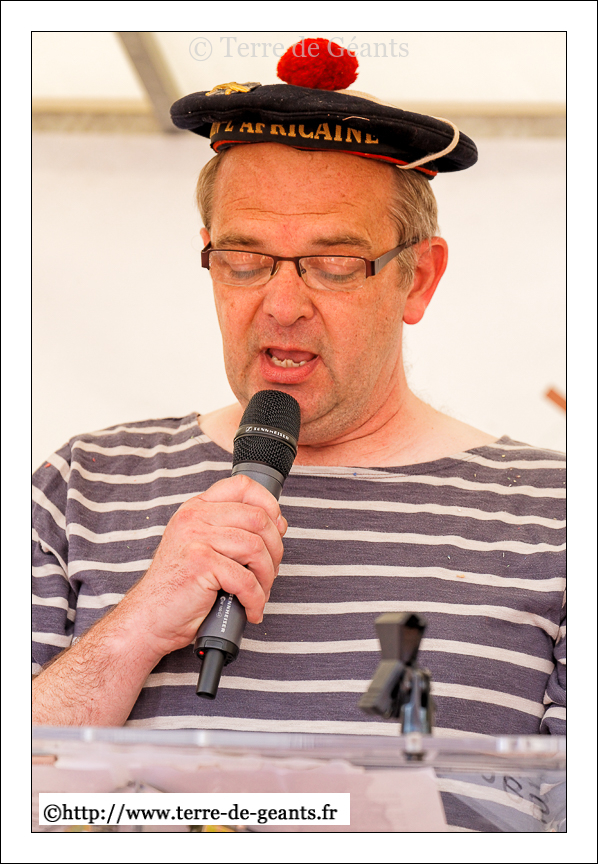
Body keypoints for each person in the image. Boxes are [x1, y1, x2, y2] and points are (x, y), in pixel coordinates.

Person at [33, 42, 565, 829]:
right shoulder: (84, 483)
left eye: (334, 263)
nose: (282, 305)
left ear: (418, 278)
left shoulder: (558, 512)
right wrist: (138, 625)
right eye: (245, 259)